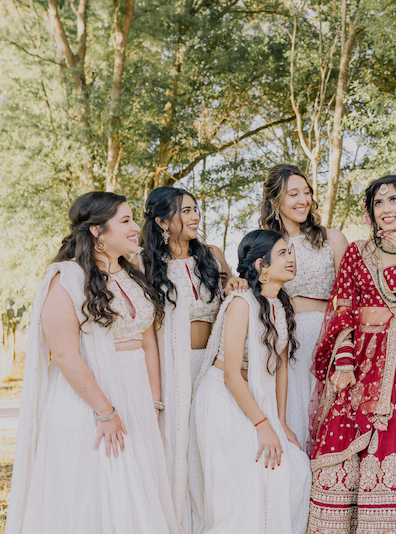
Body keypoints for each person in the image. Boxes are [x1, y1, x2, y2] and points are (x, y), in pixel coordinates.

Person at [7, 192, 178, 534]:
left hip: (138, 399)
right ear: (97, 231)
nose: (135, 228)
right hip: (88, 402)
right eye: (125, 221)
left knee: (139, 494)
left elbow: (147, 341)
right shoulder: (66, 279)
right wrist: (105, 411)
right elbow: (66, 354)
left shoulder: (134, 275)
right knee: (97, 492)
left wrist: (154, 403)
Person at [307, 175, 396, 534]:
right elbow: (343, 306)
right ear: (370, 212)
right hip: (360, 356)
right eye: (378, 203)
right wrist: (343, 358)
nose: (386, 209)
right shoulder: (357, 252)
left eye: (394, 201)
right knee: (348, 438)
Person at [136, 185, 247, 532]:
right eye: (185, 211)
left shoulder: (211, 255)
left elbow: (233, 292)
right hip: (172, 369)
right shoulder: (144, 262)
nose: (195, 216)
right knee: (178, 445)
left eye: (196, 209)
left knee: (211, 445)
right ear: (162, 221)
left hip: (212, 367)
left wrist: (235, 285)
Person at [189, 229, 311, 533]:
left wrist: (280, 422)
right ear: (261, 266)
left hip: (257, 399)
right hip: (224, 397)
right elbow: (231, 374)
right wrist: (262, 425)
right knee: (246, 480)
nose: (291, 258)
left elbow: (279, 365)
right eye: (283, 253)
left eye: (290, 252)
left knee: (293, 467)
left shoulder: (280, 304)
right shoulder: (241, 303)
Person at [259, 164, 348, 448]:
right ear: (274, 202)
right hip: (284, 342)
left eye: (307, 192)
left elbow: (350, 296)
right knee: (293, 420)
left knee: (329, 425)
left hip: (327, 338)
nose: (303, 200)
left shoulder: (332, 239)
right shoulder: (264, 247)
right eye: (293, 194)